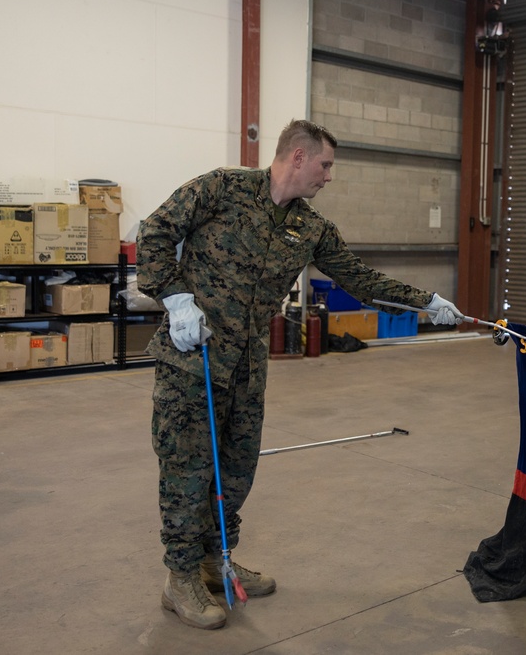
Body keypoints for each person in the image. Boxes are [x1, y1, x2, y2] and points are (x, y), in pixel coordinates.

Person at [137, 119, 463, 630]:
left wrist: (427, 302)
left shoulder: (308, 227)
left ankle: (214, 561)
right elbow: (155, 231)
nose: (328, 177)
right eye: (325, 165)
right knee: (188, 470)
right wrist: (175, 298)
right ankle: (179, 579)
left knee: (236, 471)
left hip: (247, 368)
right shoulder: (222, 188)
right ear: (296, 157)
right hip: (191, 359)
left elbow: (359, 278)